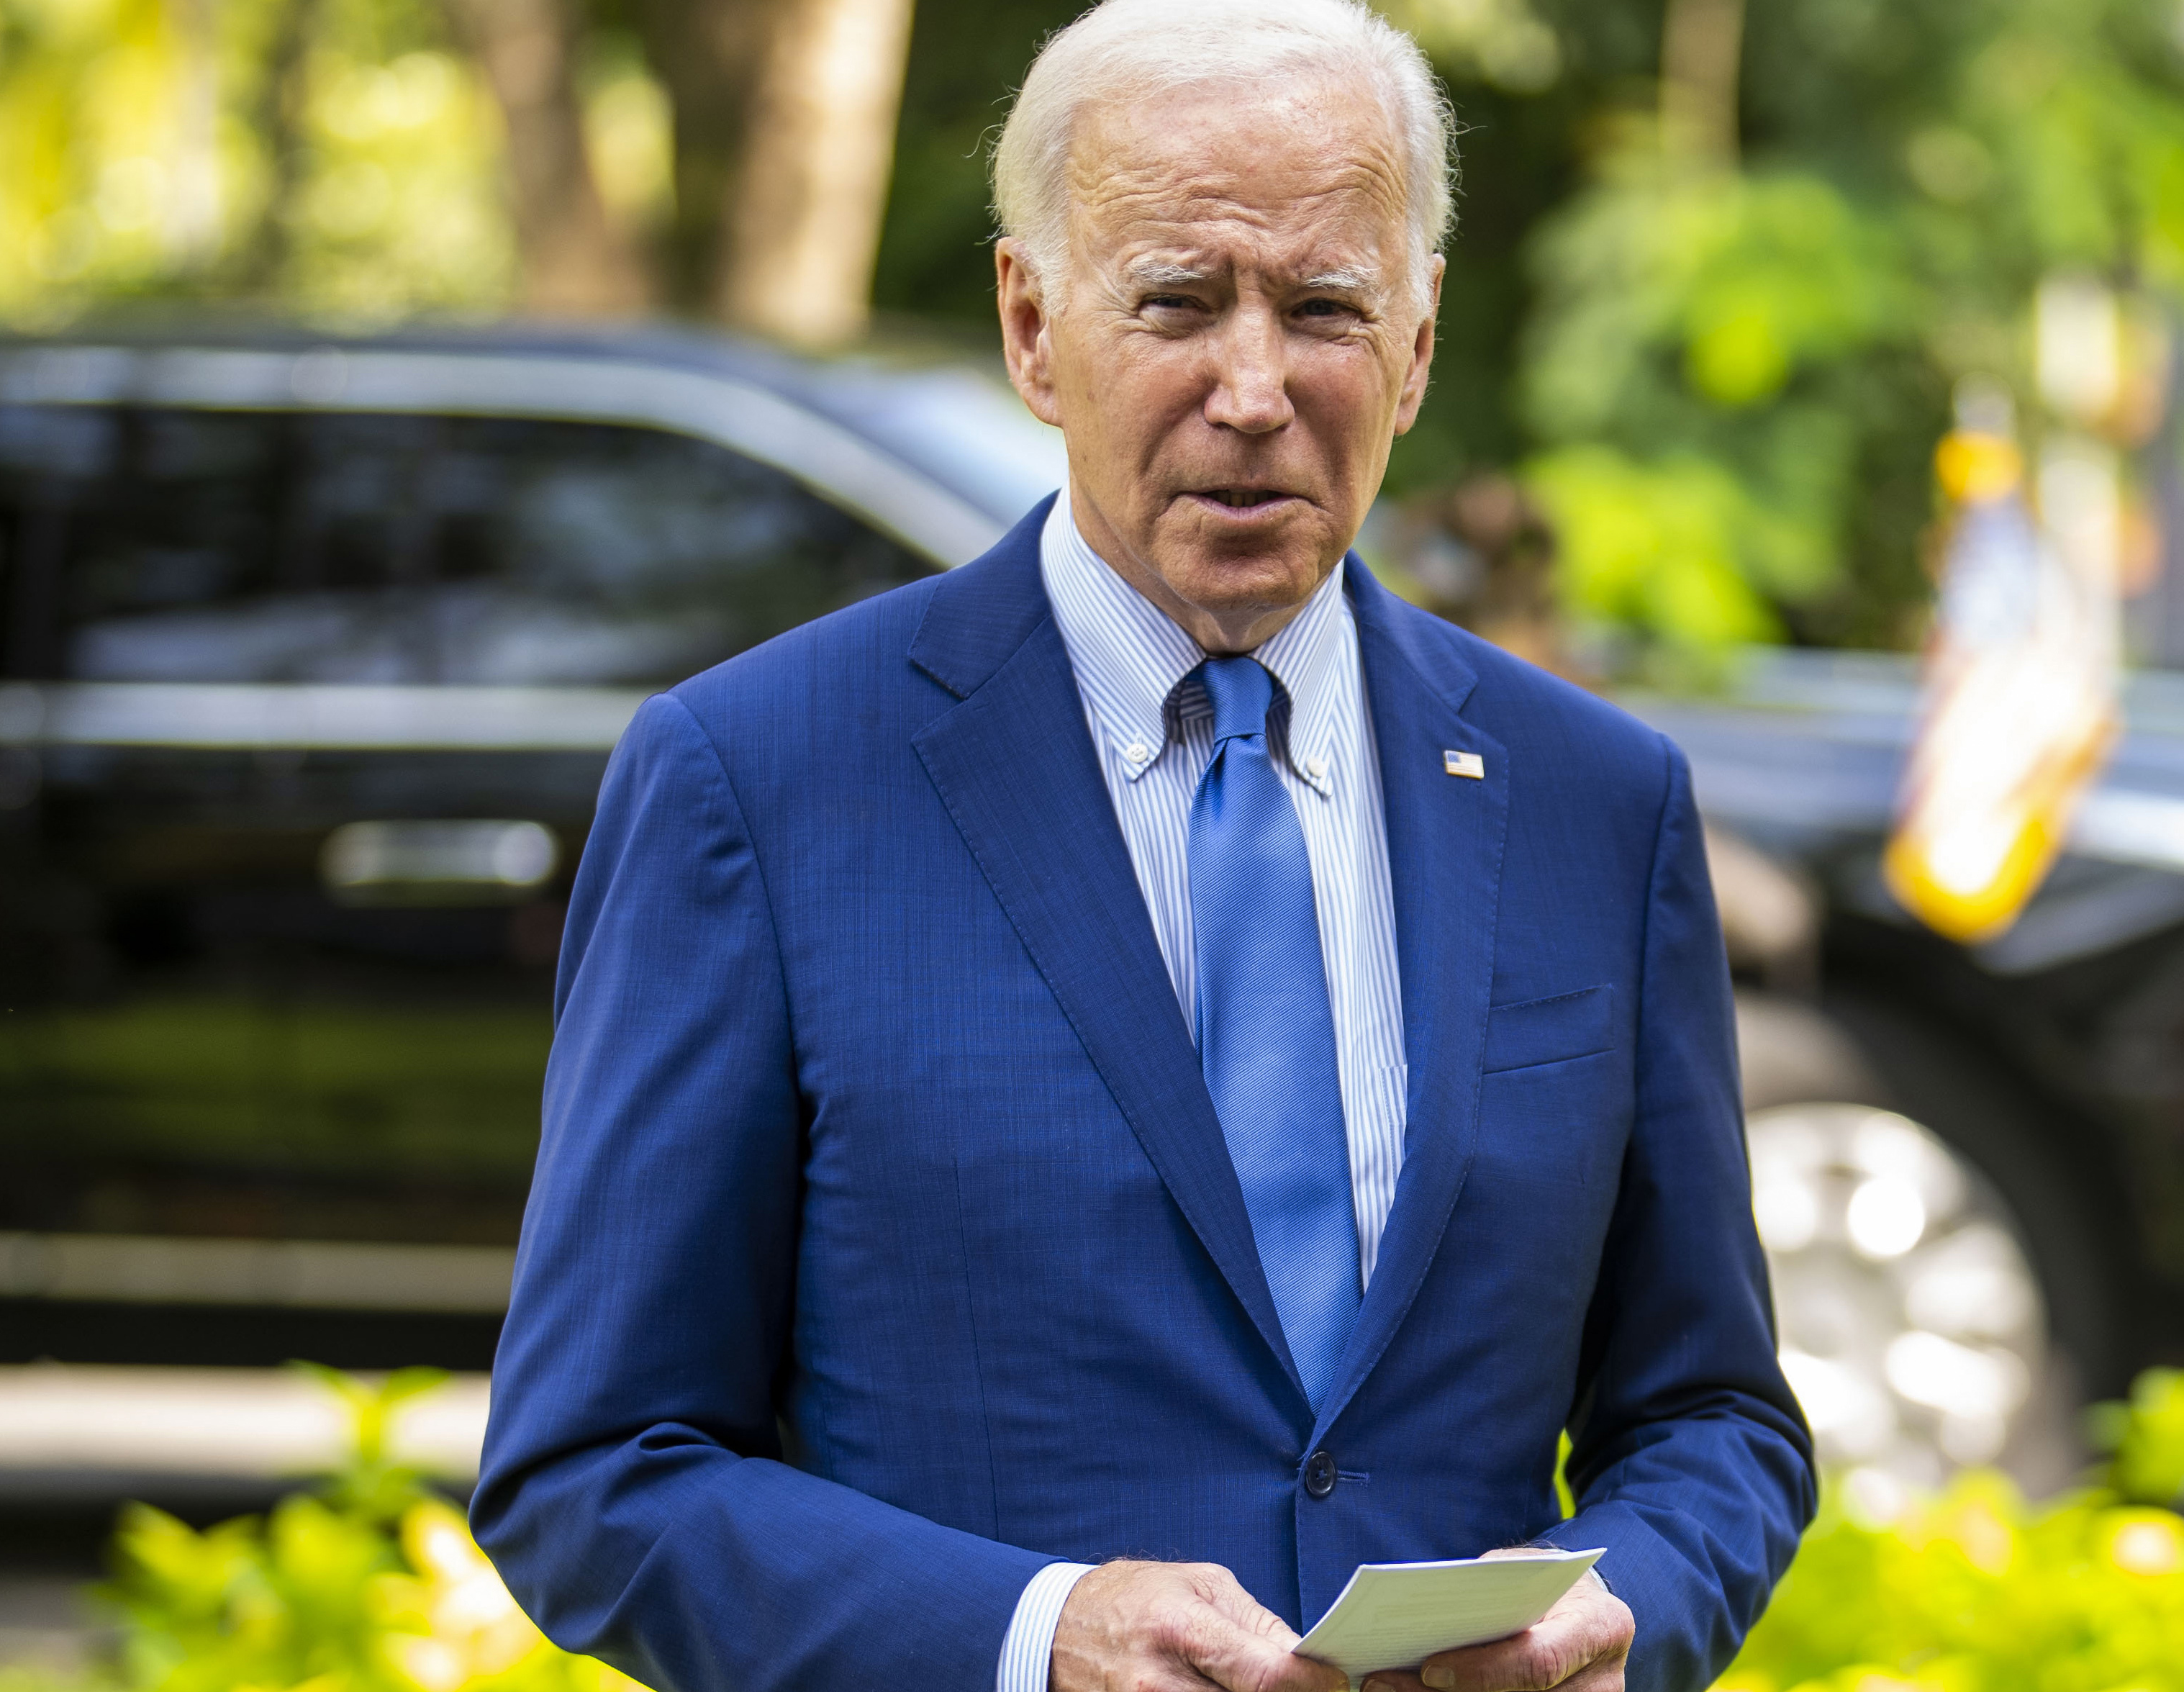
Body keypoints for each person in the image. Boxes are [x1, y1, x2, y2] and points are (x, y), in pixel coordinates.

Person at [471, 1, 1813, 1687]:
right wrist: (1032, 1636)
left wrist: (1631, 1604)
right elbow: (593, 1472)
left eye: (1325, 307)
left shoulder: (1595, 804)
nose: (1253, 391)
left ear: (1417, 342)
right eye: (1176, 302)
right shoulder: (756, 781)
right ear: (1033, 327)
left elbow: (1713, 1418)